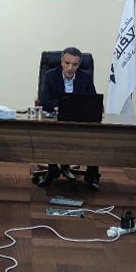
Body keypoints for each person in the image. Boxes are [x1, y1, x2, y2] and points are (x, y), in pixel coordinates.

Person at [37, 47, 101, 190]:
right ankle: (52, 169)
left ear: (79, 64)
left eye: (75, 64)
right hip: (57, 119)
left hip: (79, 120)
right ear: (61, 62)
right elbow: (44, 101)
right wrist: (61, 105)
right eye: (67, 63)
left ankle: (92, 174)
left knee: (95, 135)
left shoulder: (85, 77)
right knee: (49, 133)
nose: (70, 68)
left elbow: (93, 101)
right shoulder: (50, 75)